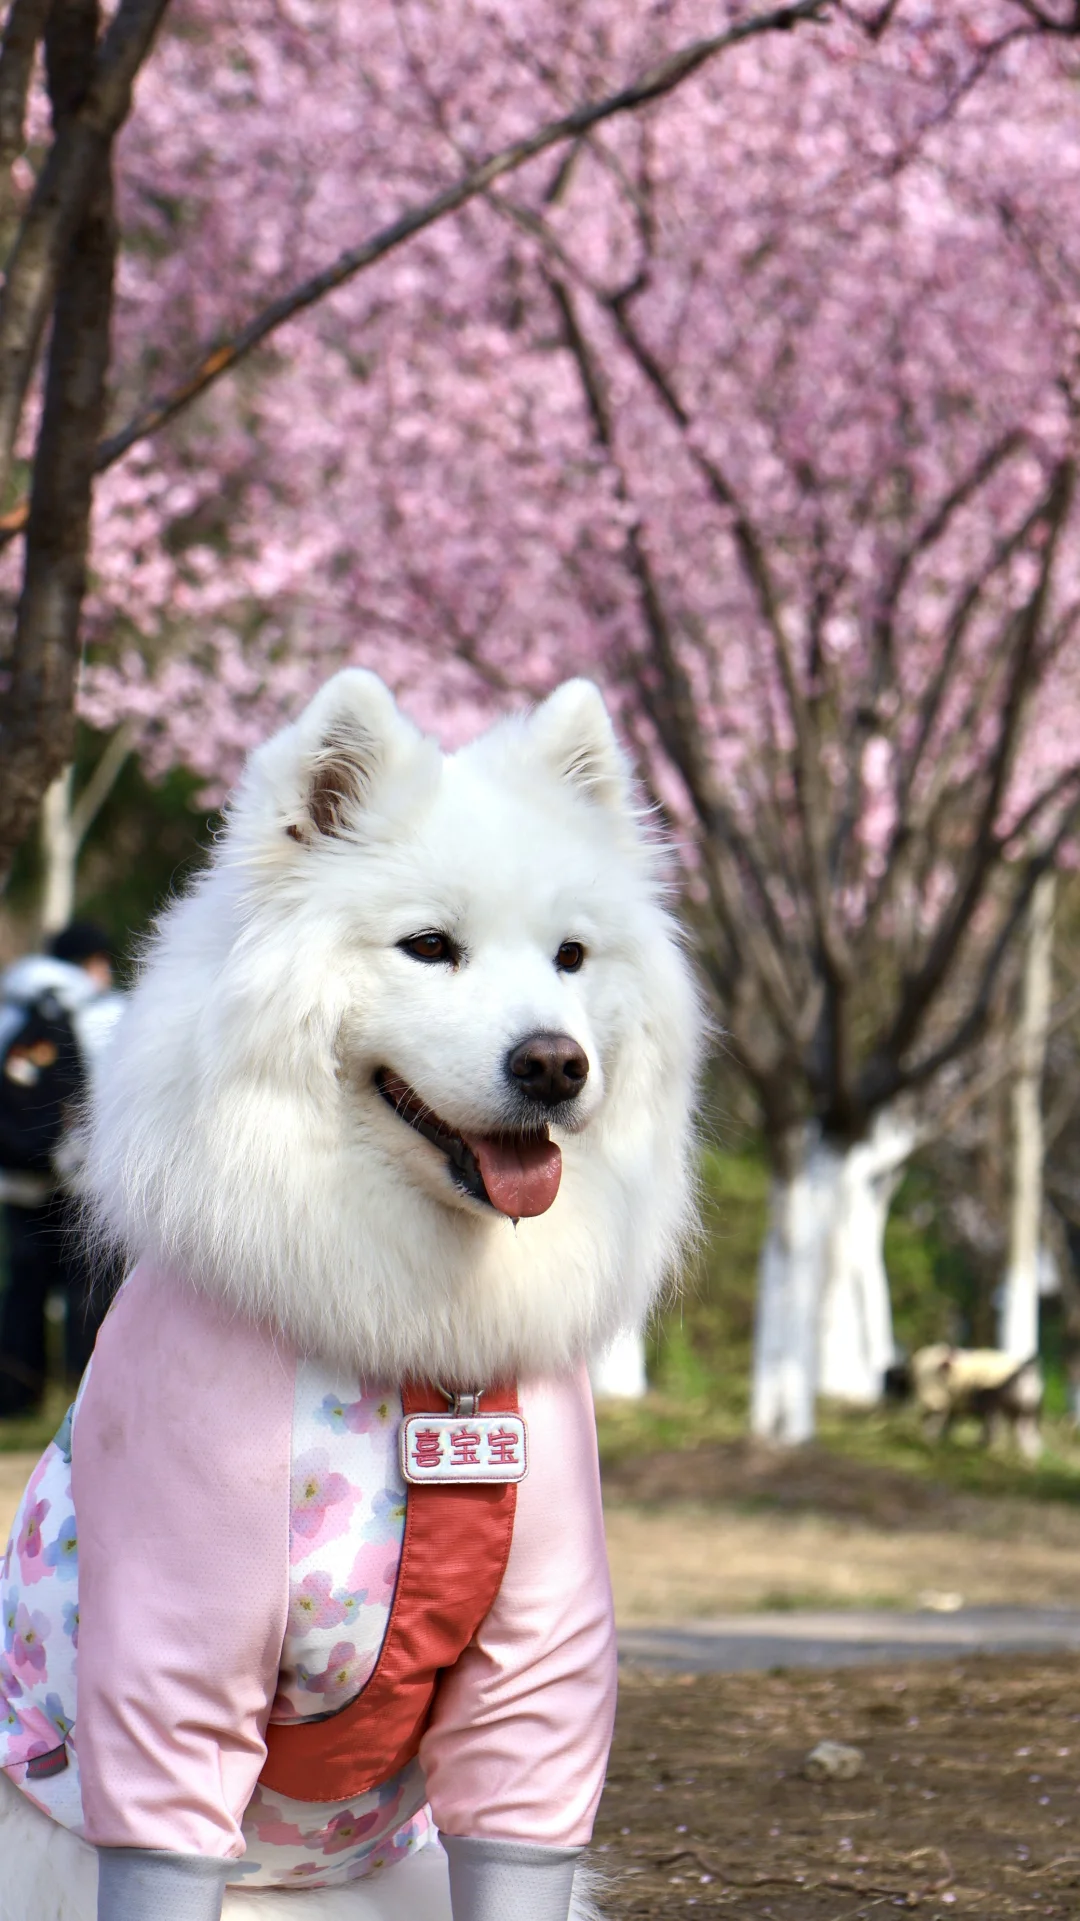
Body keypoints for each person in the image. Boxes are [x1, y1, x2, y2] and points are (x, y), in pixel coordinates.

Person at [0, 921, 125, 1416]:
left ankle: (15, 1396)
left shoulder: (9, 1011)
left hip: (17, 1178)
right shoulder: (105, 1012)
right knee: (88, 1289)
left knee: (24, 1289)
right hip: (84, 1181)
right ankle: (87, 1397)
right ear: (89, 962)